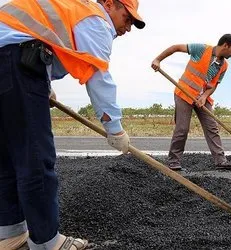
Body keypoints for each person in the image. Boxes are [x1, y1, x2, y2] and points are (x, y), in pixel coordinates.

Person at [0, 0, 145, 249]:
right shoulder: (96, 19)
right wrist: (115, 128)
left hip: (10, 60)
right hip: (16, 60)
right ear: (109, 4)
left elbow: (25, 40)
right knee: (35, 158)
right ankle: (47, 242)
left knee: (7, 156)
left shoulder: (72, 10)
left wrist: (42, 84)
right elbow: (99, 77)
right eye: (127, 18)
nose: (128, 27)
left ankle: (10, 233)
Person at [151, 34, 231, 171]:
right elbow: (175, 48)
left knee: (212, 127)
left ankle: (221, 161)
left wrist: (204, 96)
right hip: (184, 93)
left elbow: (214, 85)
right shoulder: (201, 49)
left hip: (202, 98)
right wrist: (158, 60)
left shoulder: (224, 66)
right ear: (225, 45)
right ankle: (173, 161)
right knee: (182, 128)